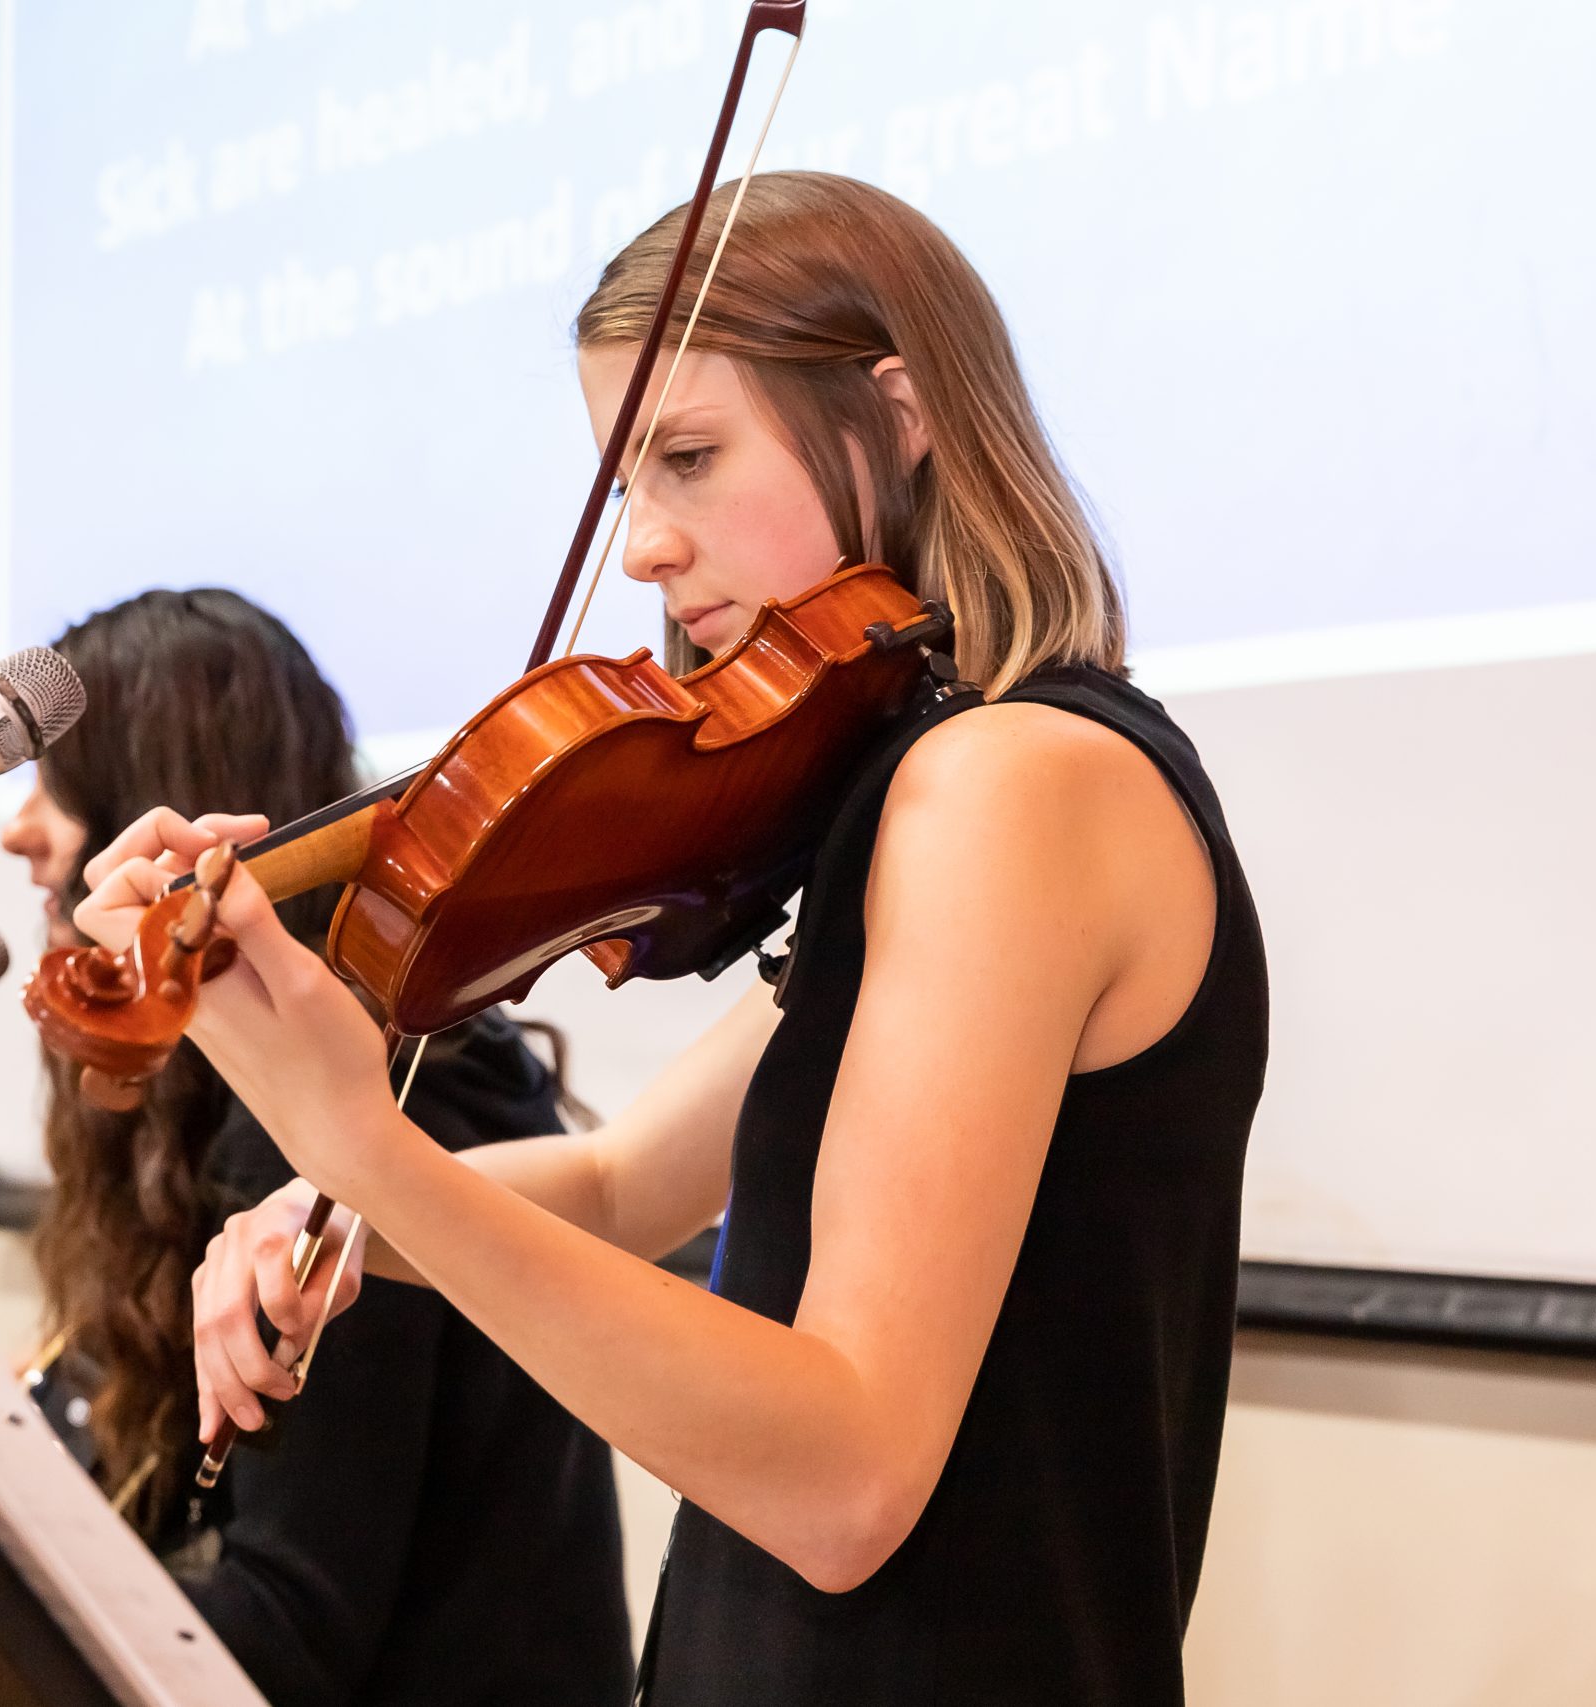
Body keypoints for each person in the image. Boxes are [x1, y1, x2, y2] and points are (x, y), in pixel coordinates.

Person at [77, 173, 1269, 1705]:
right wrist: (333, 1207)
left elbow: (847, 1473)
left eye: (691, 460)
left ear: (900, 413)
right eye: (625, 485)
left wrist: (362, 1145)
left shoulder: (1011, 783)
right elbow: (625, 1183)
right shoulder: (933, 786)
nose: (642, 547)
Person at [0, 587, 632, 1707]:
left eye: (58, 782)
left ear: (155, 791)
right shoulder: (266, 1091)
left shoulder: (381, 1094)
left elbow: (293, 1625)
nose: (17, 828)